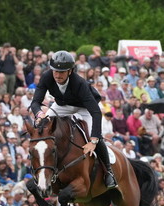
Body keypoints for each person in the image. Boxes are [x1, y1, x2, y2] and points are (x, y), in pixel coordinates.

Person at [29, 50, 116, 189]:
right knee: (42, 127)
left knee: (95, 136)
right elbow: (35, 103)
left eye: (62, 72)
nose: (57, 75)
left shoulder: (79, 83)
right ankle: (41, 167)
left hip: (84, 108)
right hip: (61, 106)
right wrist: (39, 114)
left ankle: (108, 172)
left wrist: (93, 141)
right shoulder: (47, 77)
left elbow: (96, 112)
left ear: (70, 71)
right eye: (55, 71)